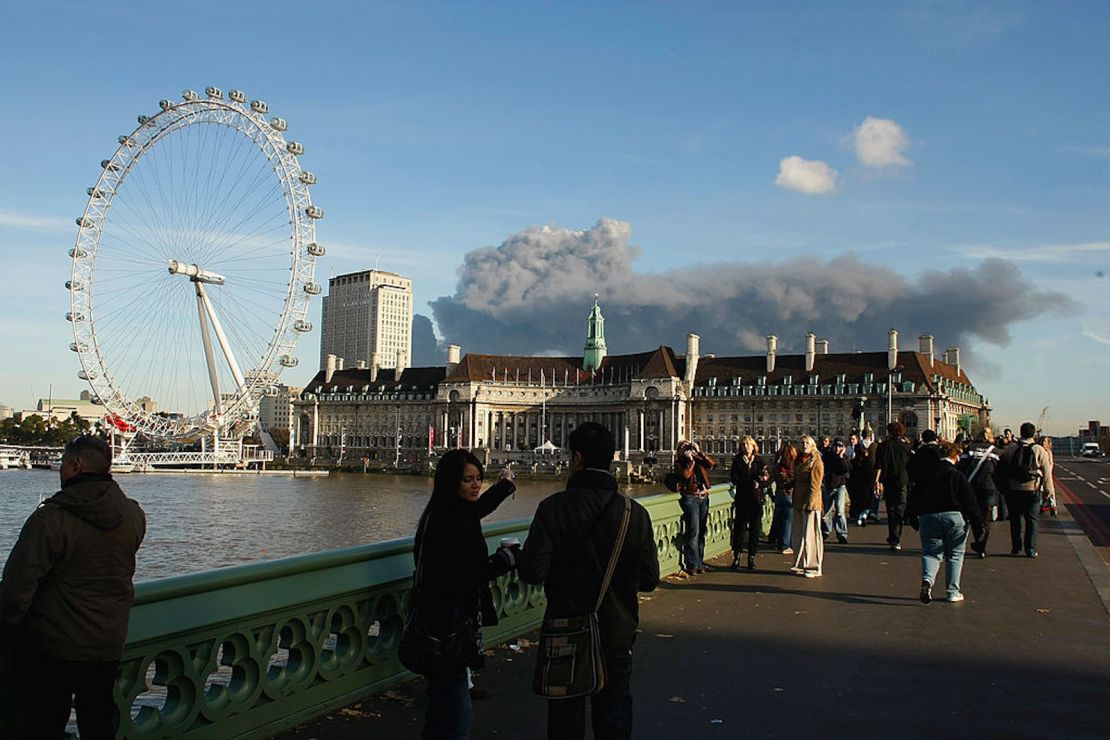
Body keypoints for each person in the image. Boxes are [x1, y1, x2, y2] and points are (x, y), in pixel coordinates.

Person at [518, 422, 660, 740]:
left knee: (565, 721)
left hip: (565, 632)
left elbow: (532, 572)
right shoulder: (634, 513)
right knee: (614, 719)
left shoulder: (551, 508)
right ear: (611, 458)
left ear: (576, 458)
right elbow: (650, 579)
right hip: (617, 631)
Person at [0, 436, 146, 738]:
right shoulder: (133, 515)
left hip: (55, 644)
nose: (59, 469)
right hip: (107, 641)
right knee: (98, 723)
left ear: (75, 467)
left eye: (63, 463)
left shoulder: (50, 519)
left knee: (45, 724)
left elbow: (17, 587)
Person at [414, 449, 518, 739]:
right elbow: (466, 574)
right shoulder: (449, 522)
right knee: (458, 719)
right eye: (467, 480)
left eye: (478, 479)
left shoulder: (446, 512)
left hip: (441, 625)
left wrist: (503, 486)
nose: (475, 485)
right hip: (447, 630)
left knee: (440, 713)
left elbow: (476, 509)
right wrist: (506, 560)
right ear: (451, 482)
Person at [909, 442, 986, 604]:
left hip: (928, 517)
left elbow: (913, 497)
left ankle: (928, 581)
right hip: (954, 517)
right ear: (955, 456)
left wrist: (912, 518)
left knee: (931, 553)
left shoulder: (926, 475)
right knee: (955, 555)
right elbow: (971, 503)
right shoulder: (956, 475)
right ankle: (952, 591)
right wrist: (979, 528)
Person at [999, 422, 1055, 558]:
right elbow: (1047, 472)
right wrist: (1049, 490)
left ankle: (1016, 547)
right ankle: (1030, 549)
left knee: (1015, 519)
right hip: (1032, 488)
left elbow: (1002, 469)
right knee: (1032, 519)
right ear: (1033, 434)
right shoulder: (1039, 450)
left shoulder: (1011, 449)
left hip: (1013, 489)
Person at [673, 440, 716, 576]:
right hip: (690, 498)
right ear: (680, 451)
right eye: (685, 447)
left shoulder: (699, 460)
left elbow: (711, 464)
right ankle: (692, 564)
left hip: (703, 498)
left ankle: (699, 563)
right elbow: (686, 475)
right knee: (693, 532)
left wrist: (700, 453)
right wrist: (690, 461)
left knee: (701, 531)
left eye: (690, 446)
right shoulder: (679, 464)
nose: (689, 449)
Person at [957, 428, 1001, 556]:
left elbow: (961, 466)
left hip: (972, 486)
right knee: (985, 517)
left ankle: (978, 541)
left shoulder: (970, 448)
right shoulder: (994, 451)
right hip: (988, 486)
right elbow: (999, 469)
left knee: (973, 516)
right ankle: (982, 546)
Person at [729, 436, 768, 570]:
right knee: (739, 530)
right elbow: (734, 478)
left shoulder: (759, 461)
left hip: (756, 500)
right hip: (742, 499)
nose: (746, 447)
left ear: (753, 446)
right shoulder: (738, 461)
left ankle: (751, 557)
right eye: (743, 445)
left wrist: (761, 482)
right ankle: (737, 557)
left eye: (748, 445)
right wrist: (748, 483)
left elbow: (767, 479)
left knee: (754, 530)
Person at [874, 421, 913, 551]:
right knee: (899, 509)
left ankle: (893, 537)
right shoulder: (906, 447)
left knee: (890, 509)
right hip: (902, 480)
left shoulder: (883, 446)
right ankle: (897, 537)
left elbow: (879, 465)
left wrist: (877, 481)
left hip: (888, 480)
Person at [790, 435, 825, 578]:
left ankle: (813, 566)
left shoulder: (816, 461)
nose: (804, 445)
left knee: (811, 536)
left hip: (810, 503)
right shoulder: (800, 460)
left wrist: (811, 503)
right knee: (798, 535)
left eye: (807, 443)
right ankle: (799, 564)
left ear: (812, 445)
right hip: (798, 501)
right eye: (802, 443)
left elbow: (815, 485)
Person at [769, 444, 797, 555]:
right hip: (789, 494)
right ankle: (786, 545)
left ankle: (780, 544)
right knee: (788, 521)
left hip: (779, 493)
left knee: (780, 520)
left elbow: (771, 478)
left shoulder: (777, 466)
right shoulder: (792, 466)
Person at [822, 438, 850, 544]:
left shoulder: (843, 458)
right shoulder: (828, 456)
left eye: (840, 447)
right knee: (827, 511)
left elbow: (846, 469)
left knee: (840, 510)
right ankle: (826, 530)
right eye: (836, 446)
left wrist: (841, 457)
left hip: (840, 486)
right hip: (828, 486)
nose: (838, 449)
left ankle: (842, 533)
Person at [849, 430, 876, 527]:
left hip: (859, 475)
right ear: (870, 436)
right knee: (869, 496)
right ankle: (865, 514)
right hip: (871, 474)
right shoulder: (874, 446)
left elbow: (856, 460)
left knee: (859, 497)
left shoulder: (858, 446)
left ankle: (860, 516)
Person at [1038, 436, 1057, 516]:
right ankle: (1041, 506)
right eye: (1043, 441)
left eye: (1045, 441)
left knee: (1050, 491)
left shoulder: (1048, 452)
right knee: (1040, 491)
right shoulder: (1038, 451)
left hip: (1047, 474)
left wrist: (1047, 472)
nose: (1044, 443)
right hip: (1039, 474)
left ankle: (1053, 506)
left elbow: (1051, 464)